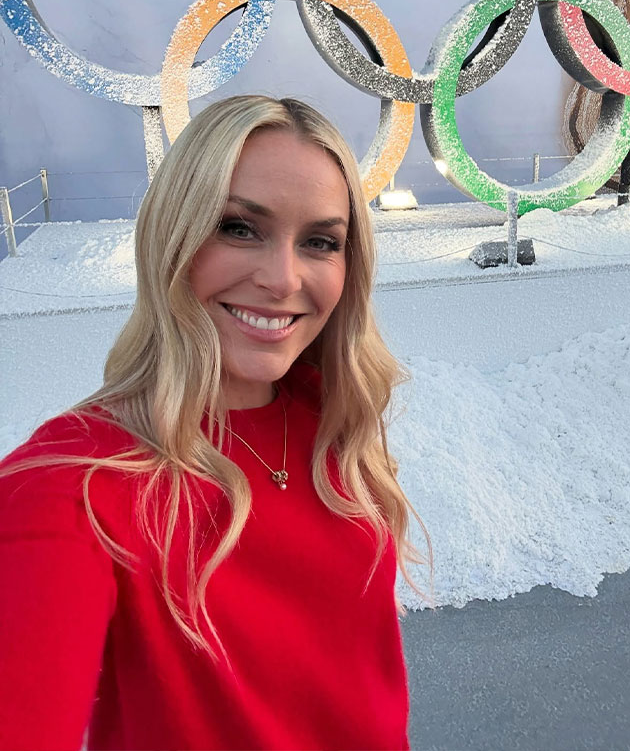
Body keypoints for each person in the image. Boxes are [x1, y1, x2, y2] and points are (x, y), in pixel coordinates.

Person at [0, 95, 429, 751]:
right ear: (174, 233)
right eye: (239, 227)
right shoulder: (74, 480)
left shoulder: (331, 419)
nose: (284, 279)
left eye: (320, 241)